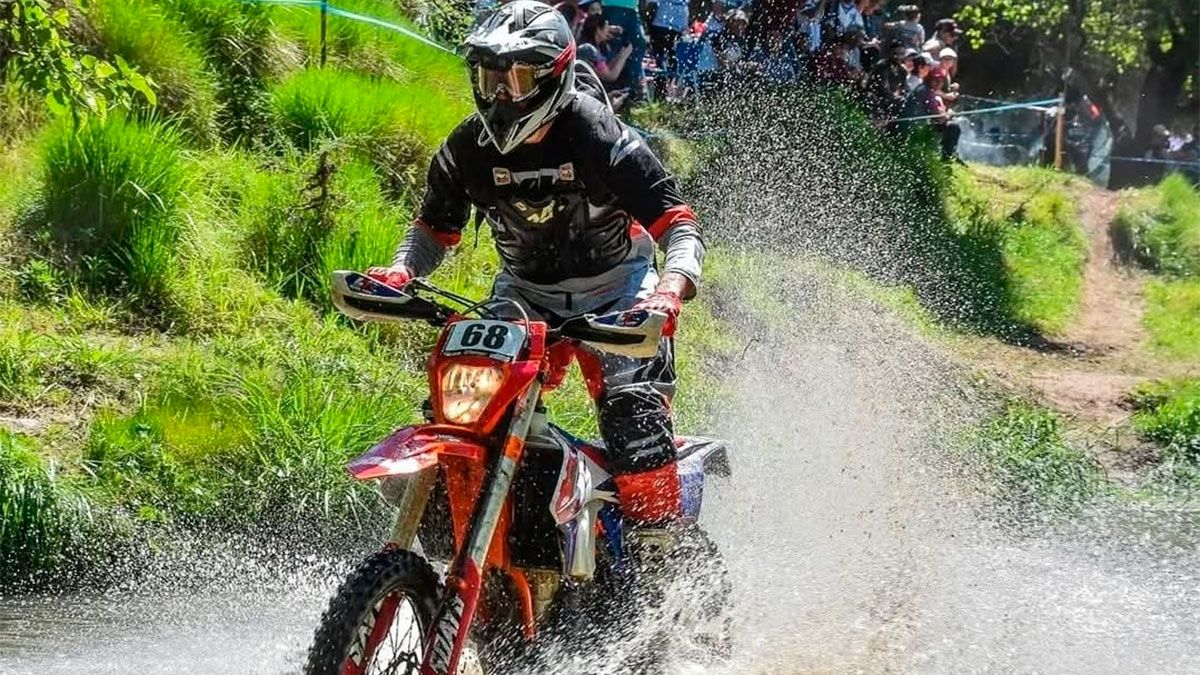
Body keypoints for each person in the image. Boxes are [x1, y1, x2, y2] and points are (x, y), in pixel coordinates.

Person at [368, 1, 705, 527]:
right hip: (523, 294)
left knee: (633, 418)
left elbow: (679, 224)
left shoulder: (601, 136)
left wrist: (669, 291)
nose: (500, 95)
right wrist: (400, 271)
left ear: (553, 75)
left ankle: (663, 549)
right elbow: (432, 229)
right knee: (460, 404)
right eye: (489, 78)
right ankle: (455, 540)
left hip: (618, 292)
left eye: (517, 79)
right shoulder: (467, 148)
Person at [578, 13, 635, 101]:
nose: (608, 31)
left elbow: (606, 69)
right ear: (598, 29)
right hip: (587, 93)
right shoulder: (589, 50)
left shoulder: (595, 47)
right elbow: (609, 76)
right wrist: (624, 56)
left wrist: (621, 53)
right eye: (606, 28)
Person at [600, 0, 648, 98]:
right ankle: (611, 88)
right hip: (613, 6)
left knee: (638, 43)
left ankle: (632, 87)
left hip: (632, 9)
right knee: (614, 43)